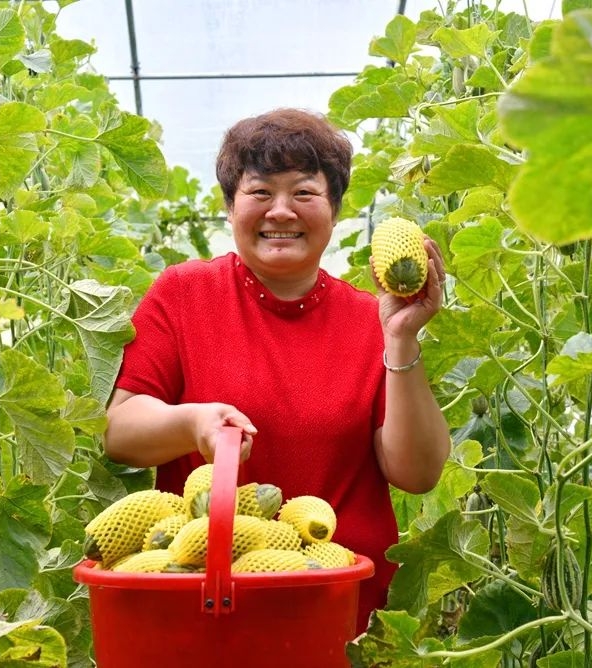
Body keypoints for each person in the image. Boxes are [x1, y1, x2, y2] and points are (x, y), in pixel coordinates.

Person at [104, 107, 450, 632]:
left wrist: (401, 338)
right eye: (260, 192)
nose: (281, 211)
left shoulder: (371, 320)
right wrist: (193, 422)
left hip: (342, 604)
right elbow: (120, 431)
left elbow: (417, 473)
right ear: (230, 207)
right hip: (208, 600)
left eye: (304, 193)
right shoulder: (182, 295)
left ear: (334, 210)